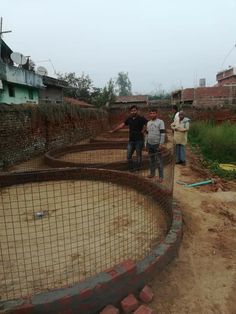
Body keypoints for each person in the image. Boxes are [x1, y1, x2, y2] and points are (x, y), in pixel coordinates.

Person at [109, 105, 147, 171]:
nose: (133, 112)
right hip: (131, 140)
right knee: (128, 156)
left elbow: (148, 124)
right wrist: (114, 130)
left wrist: (144, 130)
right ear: (130, 112)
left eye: (134, 110)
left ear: (137, 111)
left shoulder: (141, 118)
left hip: (139, 140)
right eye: (132, 111)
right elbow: (122, 125)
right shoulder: (129, 119)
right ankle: (131, 167)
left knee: (138, 155)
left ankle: (137, 168)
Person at [146, 108, 165, 182]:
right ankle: (152, 173)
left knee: (159, 161)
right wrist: (146, 142)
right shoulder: (148, 123)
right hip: (150, 144)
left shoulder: (160, 122)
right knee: (151, 160)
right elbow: (147, 134)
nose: (152, 114)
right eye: (151, 113)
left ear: (156, 114)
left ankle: (161, 177)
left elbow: (163, 133)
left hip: (157, 144)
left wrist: (161, 144)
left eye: (154, 113)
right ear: (149, 114)